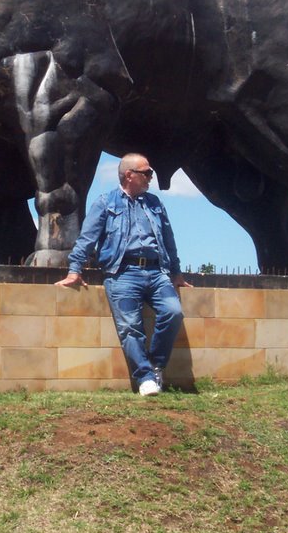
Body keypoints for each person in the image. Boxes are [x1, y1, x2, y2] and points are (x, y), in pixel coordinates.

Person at [55, 153, 192, 396]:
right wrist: (74, 269)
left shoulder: (155, 203)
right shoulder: (105, 203)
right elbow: (87, 239)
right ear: (129, 175)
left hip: (156, 271)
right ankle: (145, 378)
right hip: (122, 272)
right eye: (147, 172)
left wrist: (176, 272)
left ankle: (155, 365)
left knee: (173, 312)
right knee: (130, 327)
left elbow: (169, 240)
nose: (151, 177)